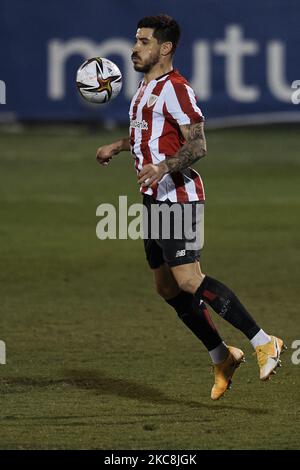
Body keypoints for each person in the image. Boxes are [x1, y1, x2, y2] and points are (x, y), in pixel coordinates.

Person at [96, 14, 285, 400]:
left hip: (178, 196)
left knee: (188, 280)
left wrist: (163, 166)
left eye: (143, 41)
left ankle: (264, 341)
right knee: (166, 287)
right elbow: (147, 136)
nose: (134, 48)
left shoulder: (178, 90)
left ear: (164, 48)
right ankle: (221, 356)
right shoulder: (143, 89)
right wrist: (118, 146)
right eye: (135, 40)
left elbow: (198, 145)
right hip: (152, 200)